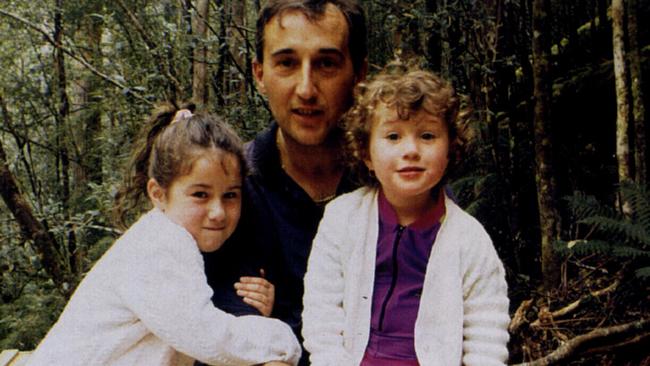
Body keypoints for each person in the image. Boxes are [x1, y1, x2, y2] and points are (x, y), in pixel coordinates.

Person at [27, 105, 301, 366]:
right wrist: (279, 337)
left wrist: (253, 310)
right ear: (158, 194)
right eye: (200, 195)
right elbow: (205, 335)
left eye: (230, 195)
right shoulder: (160, 245)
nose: (218, 212)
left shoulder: (173, 239)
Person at [301, 65, 511, 365]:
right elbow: (322, 312)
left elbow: (487, 335)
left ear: (451, 149)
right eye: (393, 136)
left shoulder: (469, 239)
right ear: (366, 153)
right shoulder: (342, 218)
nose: (410, 150)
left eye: (427, 135)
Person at [202, 1, 367, 364]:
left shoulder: (397, 187)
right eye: (287, 63)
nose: (306, 89)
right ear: (260, 74)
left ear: (358, 74)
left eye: (326, 63)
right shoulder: (227, 190)